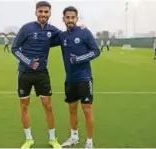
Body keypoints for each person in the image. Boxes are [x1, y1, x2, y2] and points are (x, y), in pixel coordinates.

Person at [11, 1, 62, 148]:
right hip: (24, 73)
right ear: (36, 12)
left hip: (42, 74)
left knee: (48, 106)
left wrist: (80, 28)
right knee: (24, 106)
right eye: (41, 12)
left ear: (50, 13)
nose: (43, 15)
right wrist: (28, 62)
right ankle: (28, 139)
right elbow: (14, 48)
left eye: (46, 12)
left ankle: (52, 139)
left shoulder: (53, 31)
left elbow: (66, 37)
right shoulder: (26, 28)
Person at [52, 6, 100, 149]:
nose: (70, 20)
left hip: (84, 79)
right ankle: (74, 137)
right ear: (64, 19)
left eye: (73, 17)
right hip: (70, 79)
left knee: (87, 110)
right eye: (68, 17)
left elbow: (96, 51)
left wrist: (79, 59)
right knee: (72, 109)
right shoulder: (62, 36)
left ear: (77, 19)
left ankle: (89, 143)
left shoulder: (85, 33)